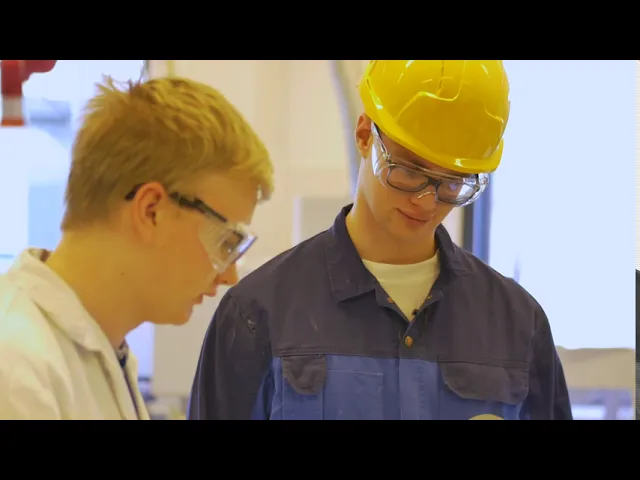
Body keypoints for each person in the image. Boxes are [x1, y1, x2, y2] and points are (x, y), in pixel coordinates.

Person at [188, 60, 572, 420]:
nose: (426, 201)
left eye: (452, 182)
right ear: (363, 136)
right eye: (409, 170)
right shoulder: (258, 314)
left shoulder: (518, 324)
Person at [0, 75, 274, 419]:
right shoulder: (15, 363)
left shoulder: (105, 352)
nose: (229, 276)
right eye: (226, 243)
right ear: (151, 211)